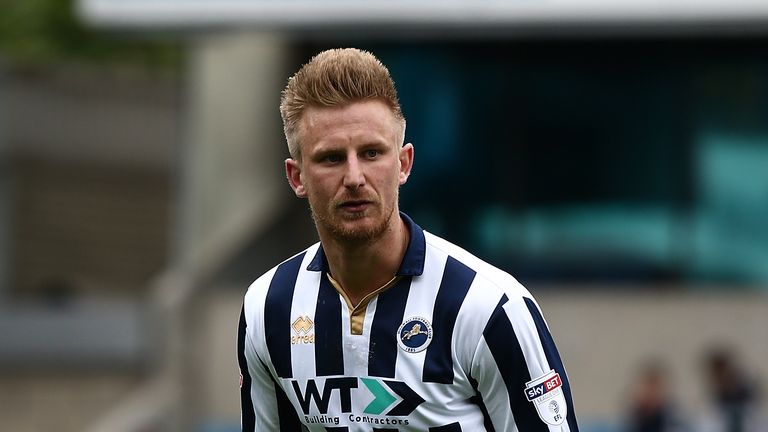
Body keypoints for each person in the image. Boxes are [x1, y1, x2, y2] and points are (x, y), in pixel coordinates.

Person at [237, 47, 579, 431]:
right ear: (297, 177)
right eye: (331, 158)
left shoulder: (490, 308)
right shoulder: (267, 308)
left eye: (371, 153)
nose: (354, 177)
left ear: (403, 164)